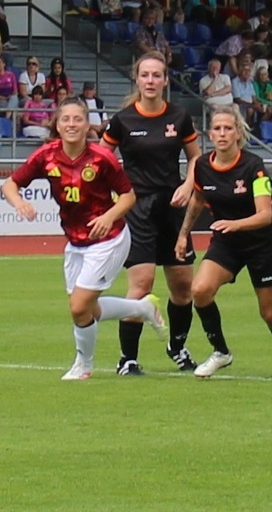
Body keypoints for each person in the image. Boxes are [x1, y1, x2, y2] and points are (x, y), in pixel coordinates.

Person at [2, 98, 165, 380]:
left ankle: (83, 365)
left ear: (87, 124)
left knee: (78, 307)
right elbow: (11, 183)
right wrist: (19, 203)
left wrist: (108, 217)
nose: (72, 125)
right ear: (57, 124)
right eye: (66, 119)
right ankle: (142, 308)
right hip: (76, 243)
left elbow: (128, 196)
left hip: (109, 239)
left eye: (78, 119)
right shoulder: (46, 155)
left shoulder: (103, 158)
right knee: (87, 309)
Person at [175, 106, 272, 380]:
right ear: (210, 133)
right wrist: (184, 234)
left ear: (238, 133)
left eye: (228, 128)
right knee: (200, 290)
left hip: (261, 245)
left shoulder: (253, 166)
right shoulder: (203, 166)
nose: (222, 133)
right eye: (217, 128)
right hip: (226, 242)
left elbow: (265, 215)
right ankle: (221, 352)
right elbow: (197, 200)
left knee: (270, 314)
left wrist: (235, 224)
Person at [101, 52, 202, 376]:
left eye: (156, 75)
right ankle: (127, 358)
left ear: (165, 80)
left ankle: (178, 346)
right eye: (145, 75)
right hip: (138, 210)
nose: (150, 81)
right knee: (141, 285)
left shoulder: (180, 116)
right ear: (137, 79)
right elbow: (101, 159)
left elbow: (196, 159)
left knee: (183, 286)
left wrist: (189, 184)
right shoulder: (123, 120)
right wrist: (115, 194)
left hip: (173, 208)